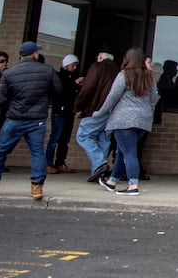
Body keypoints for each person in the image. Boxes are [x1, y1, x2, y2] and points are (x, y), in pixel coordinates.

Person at [0, 42, 61, 200]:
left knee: (0, 151)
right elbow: (58, 90)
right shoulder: (47, 70)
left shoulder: (9, 73)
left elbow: (1, 99)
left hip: (14, 118)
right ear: (35, 54)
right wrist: (46, 100)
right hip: (37, 119)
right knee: (37, 152)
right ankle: (36, 187)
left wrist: (5, 114)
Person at [93, 48, 158, 196]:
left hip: (124, 120)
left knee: (129, 152)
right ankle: (112, 182)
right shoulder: (149, 77)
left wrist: (99, 113)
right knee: (122, 151)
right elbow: (154, 98)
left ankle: (133, 185)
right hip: (143, 121)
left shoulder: (124, 75)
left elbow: (112, 97)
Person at [74, 48, 120, 183]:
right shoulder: (117, 71)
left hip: (96, 108)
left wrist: (78, 106)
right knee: (104, 139)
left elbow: (88, 88)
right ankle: (98, 173)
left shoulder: (97, 66)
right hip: (112, 111)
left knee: (82, 135)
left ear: (99, 57)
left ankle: (100, 164)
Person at [46, 54, 82, 174]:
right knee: (55, 137)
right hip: (59, 111)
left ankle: (60, 162)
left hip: (68, 111)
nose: (75, 68)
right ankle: (48, 163)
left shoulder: (72, 78)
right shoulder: (59, 76)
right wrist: (74, 84)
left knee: (64, 139)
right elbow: (61, 91)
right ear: (67, 65)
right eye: (73, 65)